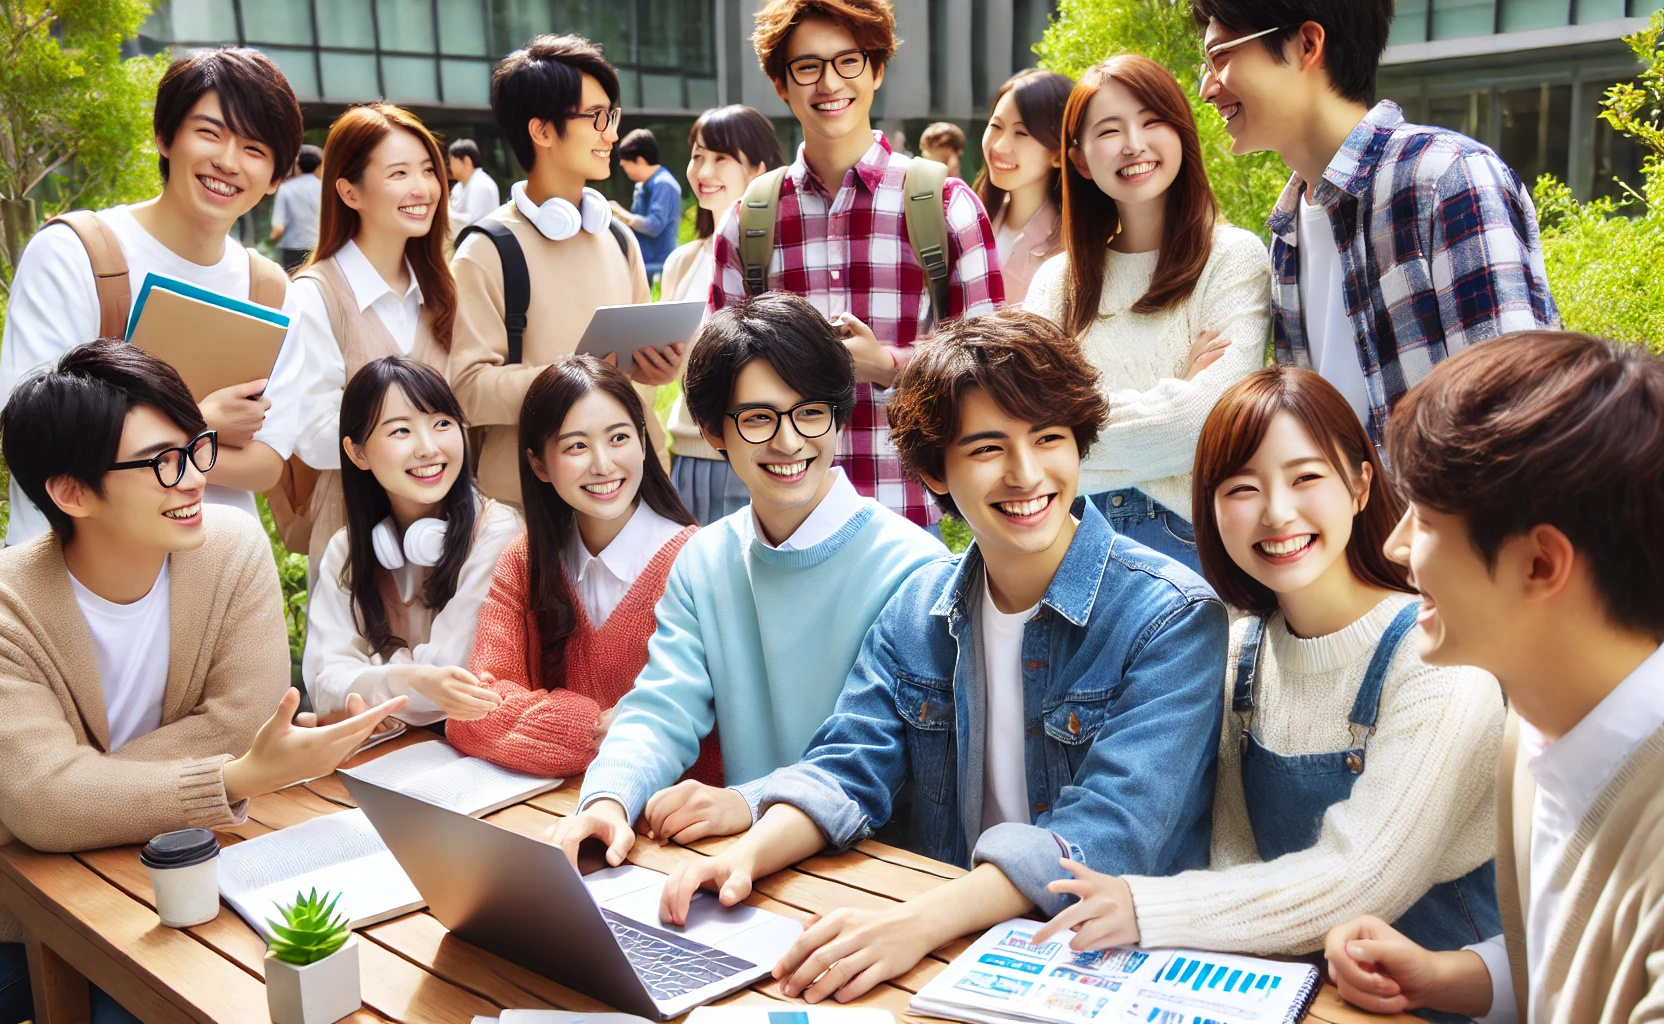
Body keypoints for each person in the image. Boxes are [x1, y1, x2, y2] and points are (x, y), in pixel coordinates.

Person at [652, 310, 1228, 1004]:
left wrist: (912, 926)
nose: (1025, 474)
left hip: (1114, 965)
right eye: (987, 449)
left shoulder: (1170, 617)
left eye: (1048, 439)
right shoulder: (920, 605)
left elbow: (1106, 835)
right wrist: (743, 858)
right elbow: (848, 763)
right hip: (960, 953)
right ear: (936, 469)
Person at [0, 342, 405, 1024]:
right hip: (1, 896)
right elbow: (57, 800)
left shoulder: (232, 548)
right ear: (70, 491)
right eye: (161, 462)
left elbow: (239, 725)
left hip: (198, 873)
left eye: (196, 449)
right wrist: (47, 812)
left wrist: (43, 808)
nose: (192, 480)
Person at [1027, 366, 1503, 960]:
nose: (1277, 513)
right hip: (1287, 985)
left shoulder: (1437, 661)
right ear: (1211, 509)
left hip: (1439, 997)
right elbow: (1232, 854)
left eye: (1306, 478)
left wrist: (1147, 907)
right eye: (1242, 488)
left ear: (1359, 486)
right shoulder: (1239, 648)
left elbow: (1361, 879)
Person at [1322, 332, 1664, 1024]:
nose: (1394, 546)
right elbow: (1573, 970)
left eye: (1422, 518)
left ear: (1539, 564)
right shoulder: (1534, 726)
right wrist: (1447, 976)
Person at [545, 293, 947, 867]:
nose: (788, 442)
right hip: (742, 868)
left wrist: (748, 801)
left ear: (838, 415)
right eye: (759, 418)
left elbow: (886, 759)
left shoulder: (913, 568)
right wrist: (608, 801)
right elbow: (662, 705)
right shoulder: (705, 560)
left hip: (876, 875)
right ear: (712, 431)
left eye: (810, 412)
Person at [1191, 0, 1556, 442]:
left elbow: (1516, 416)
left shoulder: (1446, 176)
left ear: (1307, 44)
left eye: (1221, 57)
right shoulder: (1286, 234)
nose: (1207, 88)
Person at [710, 0, 1003, 534]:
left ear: (877, 69)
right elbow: (718, 378)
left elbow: (991, 365)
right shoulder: (748, 222)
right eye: (807, 67)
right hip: (786, 523)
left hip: (908, 520)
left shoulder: (944, 205)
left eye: (848, 61)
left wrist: (888, 365)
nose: (829, 83)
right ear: (781, 83)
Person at [0, 48, 308, 547]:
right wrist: (202, 422)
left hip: (210, 575)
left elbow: (265, 465)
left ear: (275, 177)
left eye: (254, 148)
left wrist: (122, 447)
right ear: (165, 137)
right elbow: (35, 434)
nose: (228, 161)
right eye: (210, 133)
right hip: (74, 569)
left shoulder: (270, 291)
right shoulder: (77, 254)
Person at [1024, 55, 1271, 574]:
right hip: (1070, 536)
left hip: (1186, 540)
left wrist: (1071, 430)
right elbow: (1026, 426)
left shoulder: (1231, 258)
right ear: (1081, 160)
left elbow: (1204, 423)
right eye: (1110, 130)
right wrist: (1176, 385)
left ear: (1181, 132)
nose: (1134, 143)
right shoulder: (1057, 283)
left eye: (1151, 121)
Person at [447, 355, 707, 778]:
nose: (602, 463)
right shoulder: (524, 560)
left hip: (669, 827)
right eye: (577, 446)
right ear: (538, 465)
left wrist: (635, 731)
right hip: (548, 815)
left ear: (643, 442)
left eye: (618, 438)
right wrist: (594, 727)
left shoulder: (699, 563)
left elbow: (708, 739)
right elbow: (472, 714)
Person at [453, 34, 683, 507]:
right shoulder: (487, 250)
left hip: (634, 488)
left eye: (612, 117)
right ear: (541, 131)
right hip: (530, 503)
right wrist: (577, 379)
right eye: (596, 118)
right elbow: (466, 389)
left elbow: (637, 358)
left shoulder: (618, 238)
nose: (611, 135)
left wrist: (659, 365)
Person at [288, 103, 471, 575]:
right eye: (399, 173)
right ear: (349, 192)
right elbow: (312, 435)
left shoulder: (444, 290)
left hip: (450, 535)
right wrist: (423, 441)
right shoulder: (316, 295)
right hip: (354, 539)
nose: (423, 188)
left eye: (429, 170)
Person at [304, 357, 521, 729]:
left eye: (441, 424)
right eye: (401, 431)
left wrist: (372, 680)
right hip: (391, 755)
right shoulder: (347, 549)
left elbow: (454, 680)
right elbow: (324, 684)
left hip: (472, 752)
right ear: (358, 453)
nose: (428, 448)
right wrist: (413, 681)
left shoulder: (496, 532)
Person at [659, 104, 785, 524]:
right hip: (688, 456)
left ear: (758, 170)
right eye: (697, 156)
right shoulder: (683, 259)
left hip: (753, 459)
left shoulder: (775, 255)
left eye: (720, 157)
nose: (703, 170)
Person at [976, 69, 1071, 304]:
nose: (999, 146)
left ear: (1058, 154)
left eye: (1021, 133)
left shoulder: (1068, 249)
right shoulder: (970, 219)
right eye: (996, 126)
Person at [609, 128, 684, 281]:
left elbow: (653, 226)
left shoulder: (664, 184)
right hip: (645, 263)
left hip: (658, 266)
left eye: (625, 166)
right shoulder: (643, 185)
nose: (626, 172)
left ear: (640, 160)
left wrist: (622, 214)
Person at [270, 143, 324, 272]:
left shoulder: (286, 188)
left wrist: (268, 244)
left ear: (298, 165)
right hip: (318, 247)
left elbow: (279, 227)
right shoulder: (325, 189)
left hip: (291, 248)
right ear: (318, 165)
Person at [446, 137, 501, 245]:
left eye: (452, 162)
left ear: (466, 161)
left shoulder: (480, 184)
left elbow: (465, 221)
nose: (450, 167)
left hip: (483, 245)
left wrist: (444, 208)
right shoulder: (461, 185)